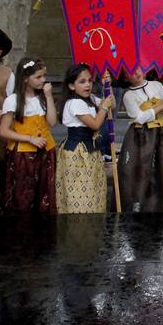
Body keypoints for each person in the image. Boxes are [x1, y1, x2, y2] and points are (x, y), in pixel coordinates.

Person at [0, 57, 58, 214]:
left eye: (44, 76)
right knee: (23, 194)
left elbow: (52, 122)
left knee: (44, 193)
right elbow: (4, 131)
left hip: (45, 151)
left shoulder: (43, 98)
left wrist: (49, 97)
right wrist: (29, 139)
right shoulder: (14, 100)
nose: (43, 80)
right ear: (25, 78)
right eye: (38, 77)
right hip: (23, 154)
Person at [119, 66, 163, 212]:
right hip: (141, 137)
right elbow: (138, 118)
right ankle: (139, 204)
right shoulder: (128, 96)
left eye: (137, 68)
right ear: (125, 77)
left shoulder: (156, 85)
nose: (136, 72)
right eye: (130, 71)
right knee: (142, 169)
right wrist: (160, 106)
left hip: (162, 134)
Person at [57, 63, 113, 213]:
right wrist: (104, 108)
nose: (87, 85)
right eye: (82, 82)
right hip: (77, 152)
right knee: (80, 196)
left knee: (93, 192)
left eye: (90, 80)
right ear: (71, 85)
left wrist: (107, 85)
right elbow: (95, 124)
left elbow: (110, 103)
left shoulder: (90, 99)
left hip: (90, 150)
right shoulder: (74, 103)